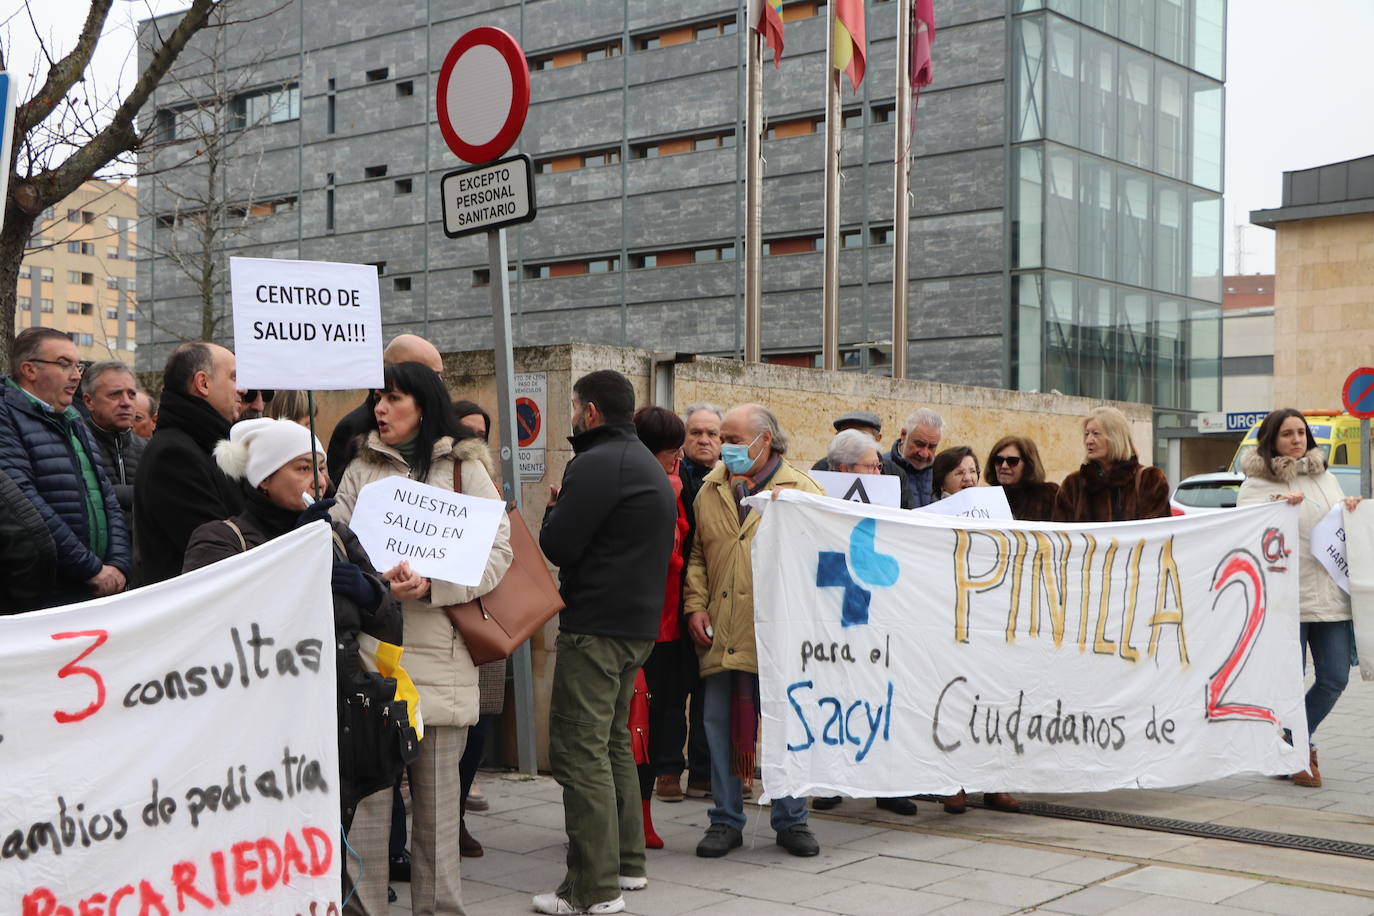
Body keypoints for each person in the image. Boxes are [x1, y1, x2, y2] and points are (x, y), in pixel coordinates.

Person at [181, 418, 407, 905]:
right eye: (304, 468)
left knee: (327, 853)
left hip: (338, 722)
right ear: (263, 478)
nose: (318, 482)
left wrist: (369, 593)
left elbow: (390, 623)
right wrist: (292, 557)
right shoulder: (220, 539)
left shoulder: (338, 535)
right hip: (263, 734)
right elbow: (214, 628)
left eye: (322, 469)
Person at [331, 361, 512, 916]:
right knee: (366, 814)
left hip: (438, 665)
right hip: (372, 666)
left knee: (437, 819)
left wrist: (431, 585)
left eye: (393, 398)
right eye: (376, 398)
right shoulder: (360, 466)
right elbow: (333, 542)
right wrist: (373, 584)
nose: (380, 409)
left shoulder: (464, 468)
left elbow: (497, 554)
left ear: (423, 404)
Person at [536, 370, 676, 916]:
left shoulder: (595, 463)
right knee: (614, 742)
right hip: (635, 628)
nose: (572, 417)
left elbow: (560, 545)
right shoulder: (643, 460)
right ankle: (626, 865)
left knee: (579, 752)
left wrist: (553, 509)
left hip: (595, 629)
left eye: (573, 409)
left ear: (590, 411)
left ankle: (592, 891)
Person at [685, 404, 825, 860]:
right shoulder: (710, 489)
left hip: (779, 635)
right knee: (718, 727)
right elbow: (699, 558)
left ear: (764, 441)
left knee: (789, 726)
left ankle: (792, 819)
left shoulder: (803, 491)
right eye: (722, 437)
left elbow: (823, 565)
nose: (724, 446)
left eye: (733, 437)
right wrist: (694, 607)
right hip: (722, 630)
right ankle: (725, 820)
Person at [1238, 408, 1362, 788]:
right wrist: (1277, 509)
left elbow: (1339, 524)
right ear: (1271, 440)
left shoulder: (1326, 476)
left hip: (1330, 595)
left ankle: (1291, 741)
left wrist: (1351, 510)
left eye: (1301, 432)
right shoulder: (1256, 484)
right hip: (1286, 601)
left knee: (1335, 678)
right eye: (1287, 434)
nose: (1297, 439)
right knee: (1288, 684)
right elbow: (1247, 532)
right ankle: (1299, 751)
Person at [810, 428, 918, 817]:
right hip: (835, 607)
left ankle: (886, 786)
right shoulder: (815, 492)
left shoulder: (892, 489)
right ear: (844, 469)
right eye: (872, 466)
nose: (879, 472)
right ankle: (829, 781)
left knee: (882, 692)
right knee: (834, 692)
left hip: (880, 607)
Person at [0, 328, 130, 607]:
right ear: (29, 370)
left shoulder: (71, 419)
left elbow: (104, 494)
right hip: (44, 593)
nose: (76, 375)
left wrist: (118, 563)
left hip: (92, 589)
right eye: (63, 364)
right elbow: (25, 504)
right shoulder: (5, 416)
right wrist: (90, 569)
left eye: (77, 365)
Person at [631, 405, 694, 838]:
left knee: (657, 721)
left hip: (668, 623)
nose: (677, 459)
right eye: (671, 451)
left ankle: (644, 812)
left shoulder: (677, 484)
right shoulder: (641, 486)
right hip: (637, 622)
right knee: (632, 723)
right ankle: (631, 815)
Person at [133, 342, 245, 585]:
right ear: (203, 383)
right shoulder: (173, 456)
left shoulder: (204, 444)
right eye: (234, 378)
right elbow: (217, 548)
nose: (243, 389)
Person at [674, 403, 722, 800]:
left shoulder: (737, 482)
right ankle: (669, 770)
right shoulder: (671, 476)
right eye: (696, 433)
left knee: (712, 689)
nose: (704, 440)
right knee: (673, 691)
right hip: (672, 600)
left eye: (713, 434)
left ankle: (705, 772)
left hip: (719, 600)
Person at [327, 334, 445, 482]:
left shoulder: (456, 446)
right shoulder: (353, 430)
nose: (439, 383)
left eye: (440, 375)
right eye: (433, 375)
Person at [1054, 406, 1169, 522]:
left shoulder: (1150, 480)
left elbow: (1158, 534)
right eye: (1086, 434)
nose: (1088, 441)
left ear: (1116, 437)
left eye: (1096, 434)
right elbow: (1061, 536)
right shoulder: (1072, 485)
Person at [81, 360, 144, 525]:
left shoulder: (148, 449)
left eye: (131, 394)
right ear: (89, 401)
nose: (126, 402)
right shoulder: (76, 446)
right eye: (114, 394)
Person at [811, 411, 913, 507]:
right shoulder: (820, 471)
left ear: (877, 439)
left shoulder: (895, 473)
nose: (853, 439)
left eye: (862, 435)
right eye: (845, 434)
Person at [984, 435, 1059, 521]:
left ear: (1028, 465)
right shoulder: (987, 499)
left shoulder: (1049, 496)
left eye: (1012, 461)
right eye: (998, 460)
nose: (1004, 466)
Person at [887, 407, 944, 508]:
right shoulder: (880, 468)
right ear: (904, 435)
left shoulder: (942, 473)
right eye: (919, 444)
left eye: (932, 447)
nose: (924, 454)